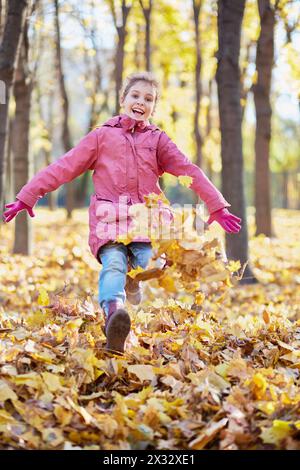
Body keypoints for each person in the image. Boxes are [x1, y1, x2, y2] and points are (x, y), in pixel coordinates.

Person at [3, 71, 241, 354]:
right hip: (110, 218)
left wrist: (216, 204)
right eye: (136, 95)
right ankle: (114, 315)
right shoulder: (101, 136)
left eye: (149, 98)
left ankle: (132, 279)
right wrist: (28, 196)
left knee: (151, 262)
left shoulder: (158, 140)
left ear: (154, 107)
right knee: (113, 263)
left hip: (147, 219)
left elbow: (188, 170)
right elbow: (63, 167)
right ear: (123, 99)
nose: (141, 101)